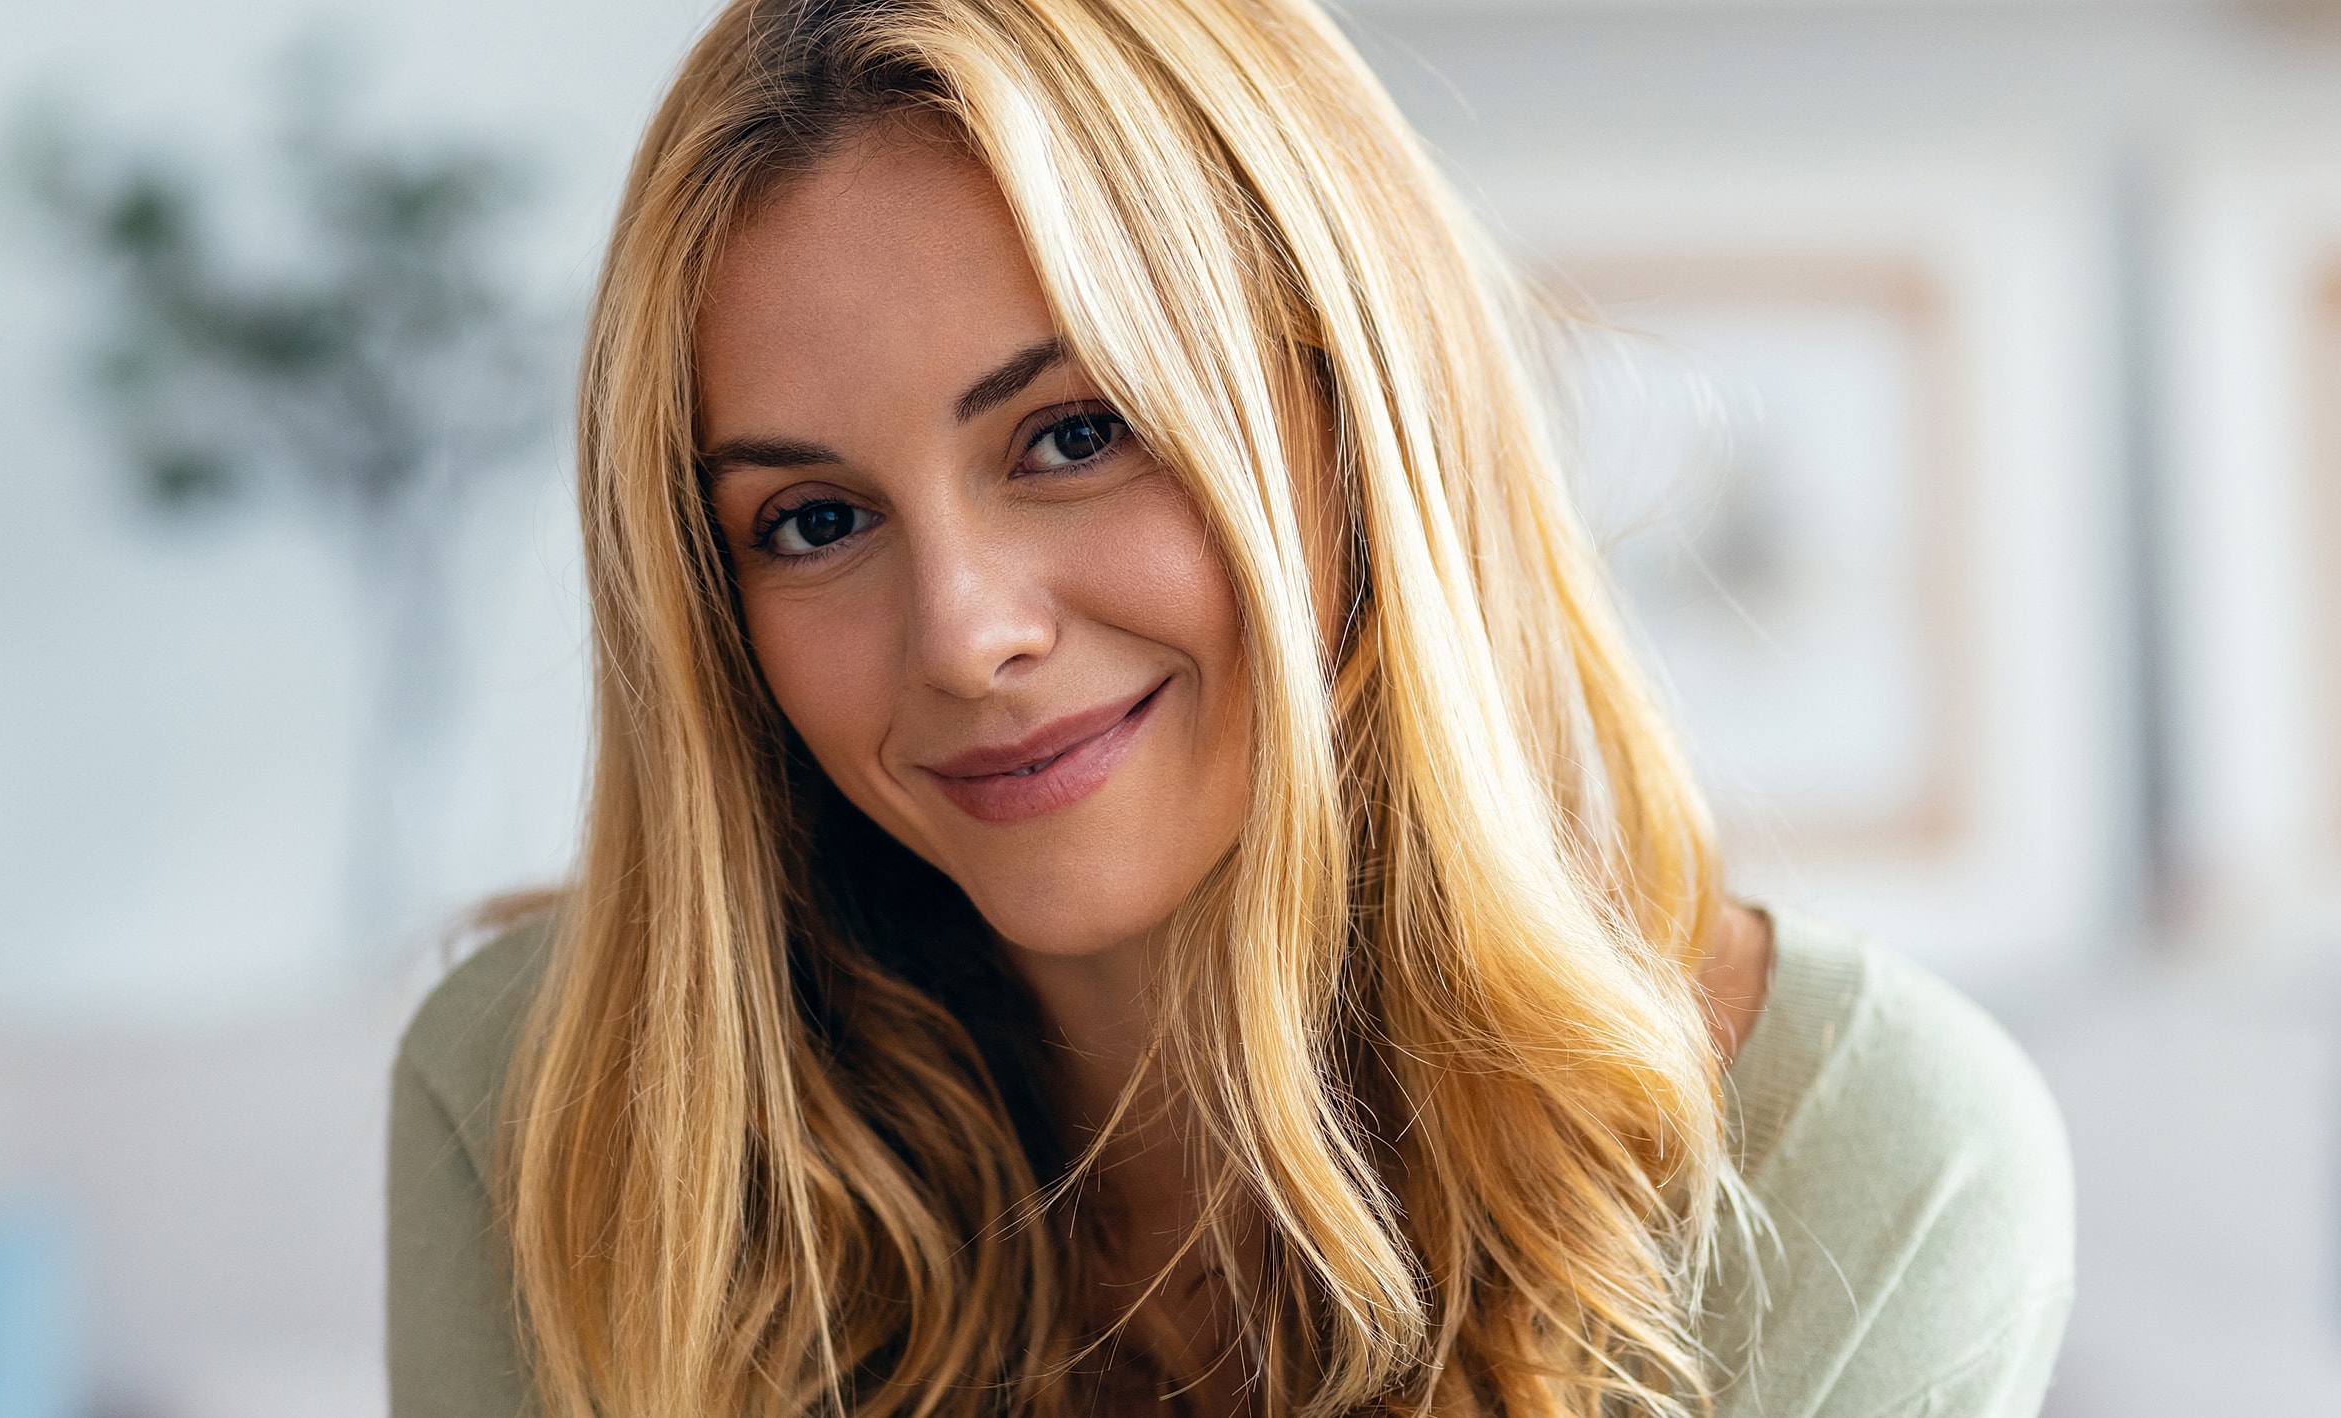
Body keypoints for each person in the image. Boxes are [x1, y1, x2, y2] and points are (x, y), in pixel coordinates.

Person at [386, 1, 2074, 1414]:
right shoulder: (562, 1113)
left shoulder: (1855, 1152)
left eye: (1073, 433)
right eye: (815, 521)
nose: (965, 635)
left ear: (1355, 414)